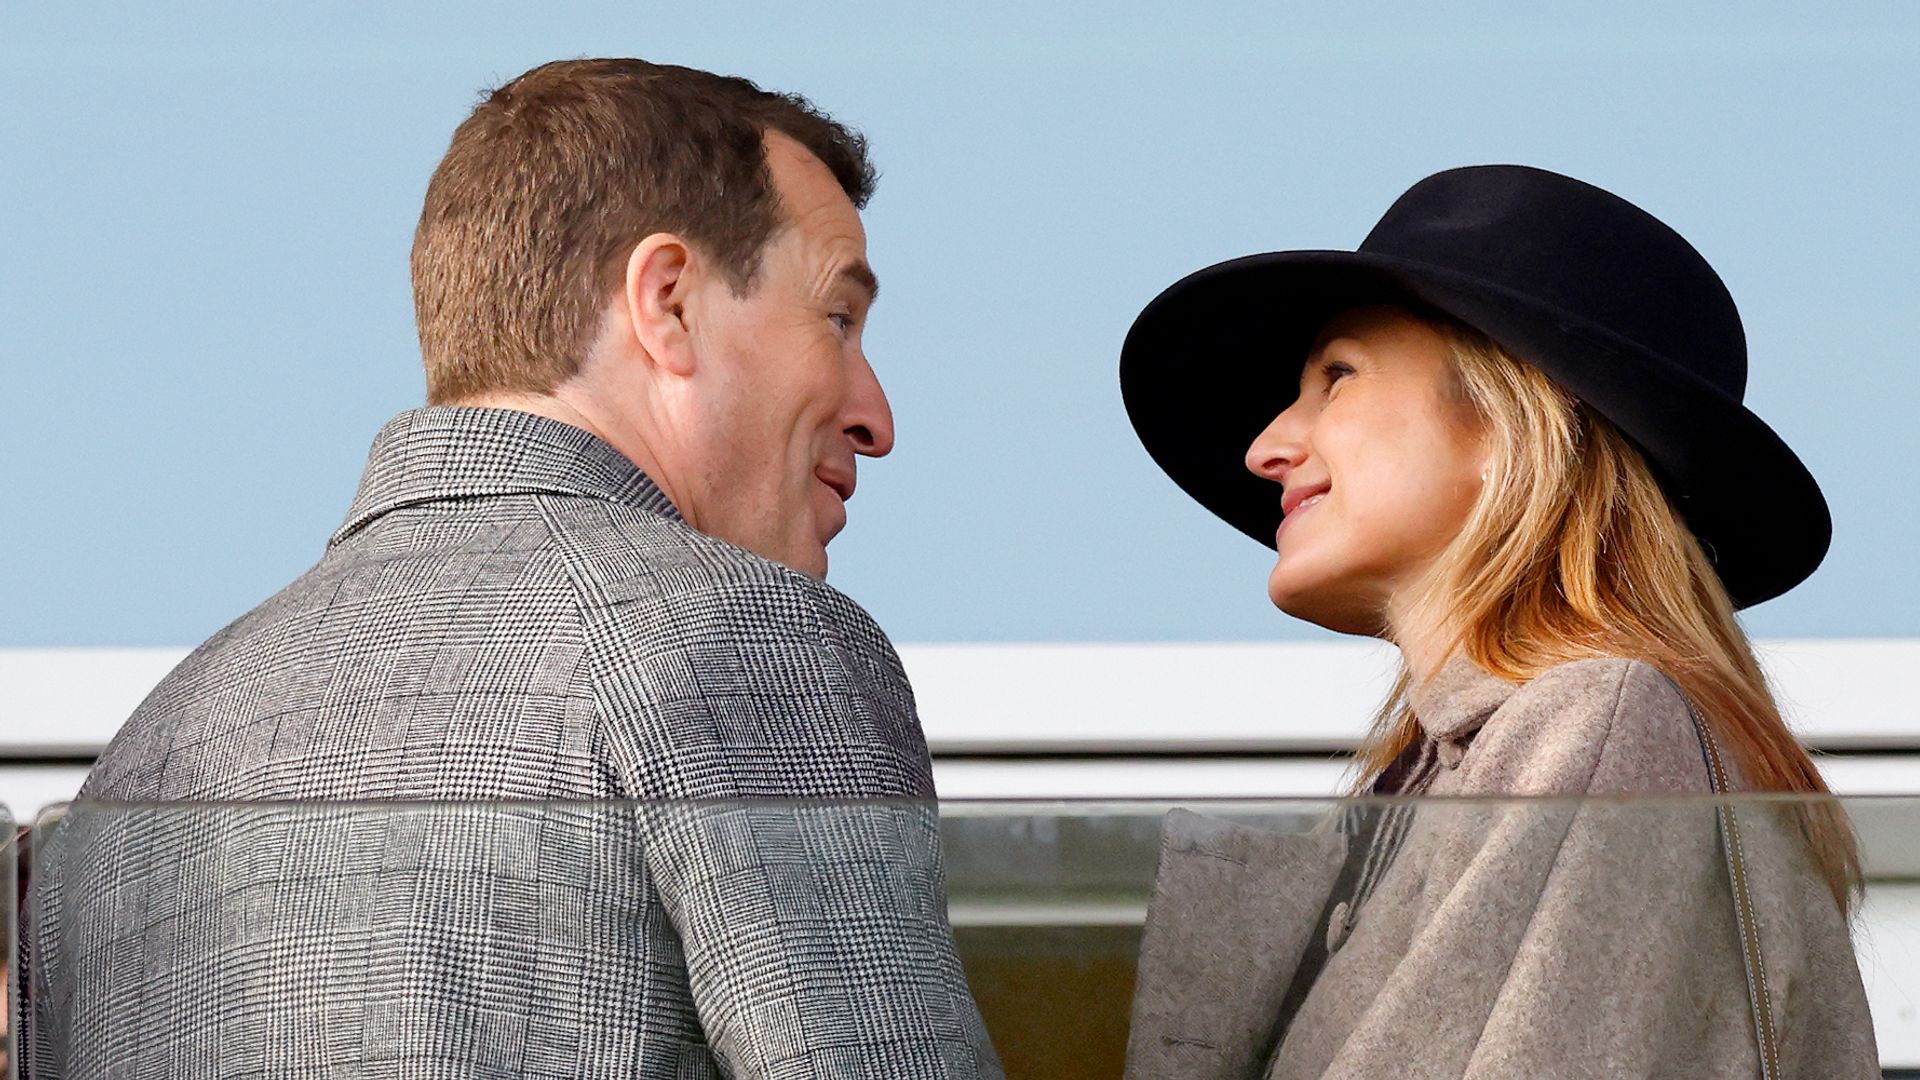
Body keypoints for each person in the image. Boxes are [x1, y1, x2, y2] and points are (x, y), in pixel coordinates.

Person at [27, 59, 1003, 1079]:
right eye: (837, 318)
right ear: (667, 302)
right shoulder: (736, 640)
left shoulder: (127, 781)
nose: (874, 415)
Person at [1116, 166, 1877, 1077]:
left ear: (1511, 421)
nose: (1266, 447)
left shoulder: (1599, 719)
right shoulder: (1446, 776)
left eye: (1338, 376)